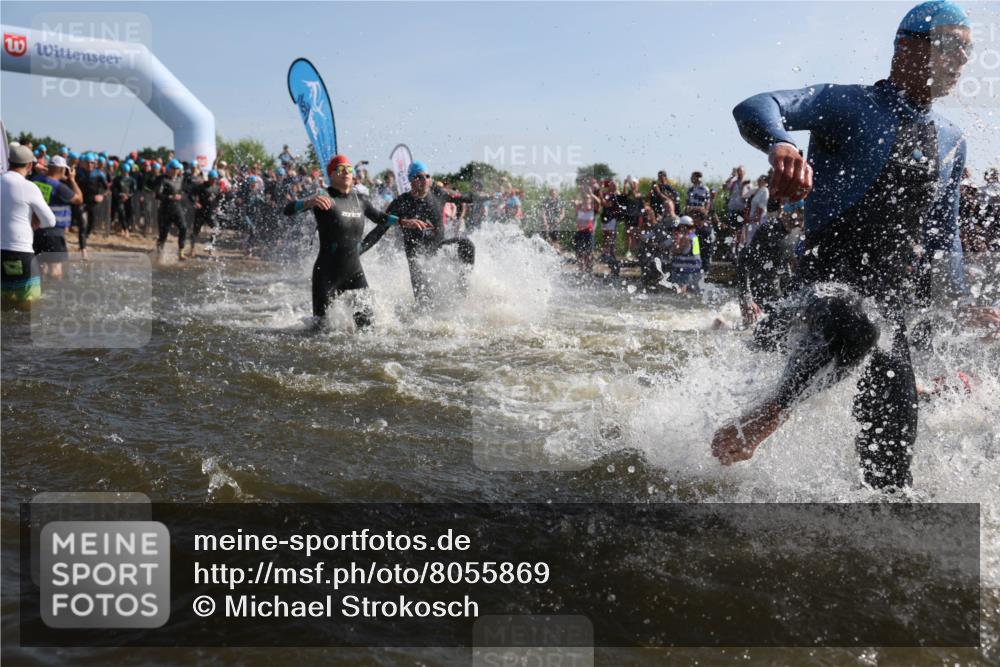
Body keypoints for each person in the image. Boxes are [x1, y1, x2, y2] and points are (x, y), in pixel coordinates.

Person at [712, 0, 1000, 490]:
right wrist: (780, 143)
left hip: (889, 309)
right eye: (951, 47)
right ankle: (769, 413)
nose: (961, 61)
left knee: (892, 471)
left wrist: (964, 305)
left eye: (967, 52)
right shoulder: (847, 104)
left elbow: (943, 239)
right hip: (822, 289)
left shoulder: (952, 139)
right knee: (857, 322)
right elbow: (757, 105)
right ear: (906, 49)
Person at [282, 155, 429, 328]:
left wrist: (403, 222)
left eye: (349, 169)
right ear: (331, 175)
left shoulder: (361, 200)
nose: (346, 172)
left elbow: (380, 217)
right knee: (319, 330)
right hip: (327, 274)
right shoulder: (323, 196)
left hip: (354, 272)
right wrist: (308, 202)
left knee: (368, 327)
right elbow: (287, 210)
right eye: (340, 169)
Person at [380, 161, 479, 305]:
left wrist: (484, 196)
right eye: (419, 177)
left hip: (438, 249)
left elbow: (464, 197)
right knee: (425, 304)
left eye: (427, 176)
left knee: (467, 244)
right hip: (417, 257)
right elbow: (381, 225)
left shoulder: (438, 194)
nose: (425, 180)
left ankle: (462, 293)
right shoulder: (401, 202)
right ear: (411, 180)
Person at [2, 145, 55, 310]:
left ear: (9, 161)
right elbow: (50, 221)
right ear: (30, 165)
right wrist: (35, 219)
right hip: (20, 252)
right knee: (27, 306)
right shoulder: (29, 187)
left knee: (4, 304)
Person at [30, 154, 82, 278]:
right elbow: (79, 199)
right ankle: (54, 288)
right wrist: (72, 180)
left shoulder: (35, 181)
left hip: (36, 231)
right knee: (55, 270)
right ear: (62, 169)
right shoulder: (59, 187)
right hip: (54, 233)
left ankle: (42, 288)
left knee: (42, 267)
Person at [155, 159, 190, 260]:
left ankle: (181, 252)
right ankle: (159, 254)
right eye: (173, 169)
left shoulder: (181, 179)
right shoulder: (163, 180)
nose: (175, 171)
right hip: (165, 210)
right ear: (169, 169)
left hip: (177, 208)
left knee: (183, 228)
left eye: (177, 169)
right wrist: (170, 197)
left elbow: (186, 191)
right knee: (163, 235)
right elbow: (157, 195)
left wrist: (182, 195)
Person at [190, 170, 223, 257]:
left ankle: (210, 247)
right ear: (208, 178)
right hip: (201, 212)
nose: (213, 181)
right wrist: (195, 202)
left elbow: (219, 199)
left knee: (216, 229)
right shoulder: (201, 186)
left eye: (215, 179)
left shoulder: (217, 188)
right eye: (212, 179)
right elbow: (191, 194)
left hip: (210, 213)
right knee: (195, 231)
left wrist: (217, 206)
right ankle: (192, 249)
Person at [572, 180, 602, 273]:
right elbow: (574, 202)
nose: (586, 199)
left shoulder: (593, 209)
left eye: (587, 198)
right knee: (579, 253)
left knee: (589, 253)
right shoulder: (579, 208)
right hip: (580, 232)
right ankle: (581, 270)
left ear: (590, 200)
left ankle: (589, 269)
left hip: (589, 233)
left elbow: (599, 202)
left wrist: (591, 194)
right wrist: (579, 192)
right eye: (584, 198)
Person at [669, 215, 702, 293]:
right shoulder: (694, 236)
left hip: (684, 270)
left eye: (680, 226)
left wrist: (676, 240)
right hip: (694, 269)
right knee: (691, 292)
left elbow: (675, 251)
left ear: (683, 227)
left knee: (679, 292)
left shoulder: (686, 238)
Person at [111, 162, 137, 238]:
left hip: (129, 199)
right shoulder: (117, 179)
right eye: (123, 171)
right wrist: (120, 194)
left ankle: (125, 227)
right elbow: (114, 189)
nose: (124, 173)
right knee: (121, 213)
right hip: (120, 199)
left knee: (129, 214)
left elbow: (134, 191)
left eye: (126, 171)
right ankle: (125, 229)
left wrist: (128, 195)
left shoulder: (132, 180)